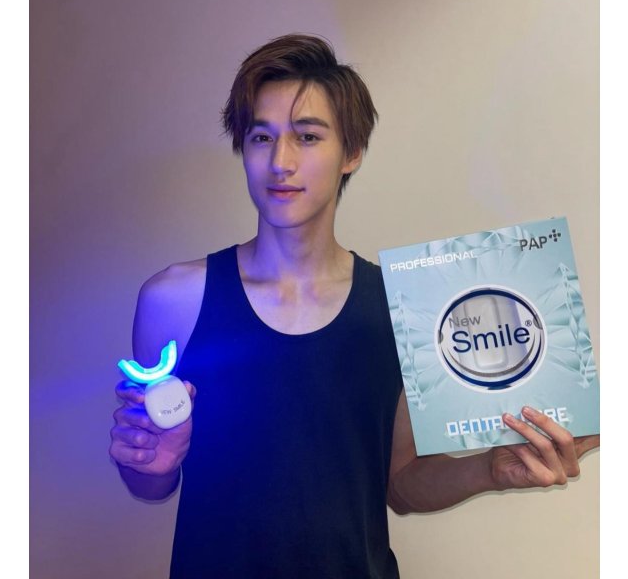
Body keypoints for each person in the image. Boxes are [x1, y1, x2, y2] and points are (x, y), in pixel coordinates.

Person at [109, 34, 599, 578]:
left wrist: (491, 468)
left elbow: (401, 482)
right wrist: (149, 463)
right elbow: (150, 481)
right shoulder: (174, 300)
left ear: (352, 152)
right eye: (261, 137)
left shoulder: (402, 307)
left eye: (307, 136)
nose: (280, 162)